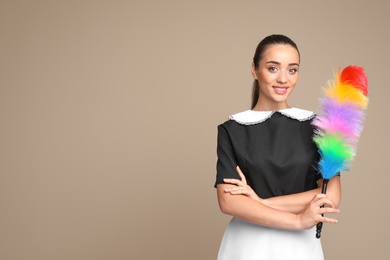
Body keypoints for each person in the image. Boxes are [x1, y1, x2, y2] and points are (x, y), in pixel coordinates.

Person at [214, 34, 341, 260]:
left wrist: (260, 202)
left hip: (300, 247)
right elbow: (228, 201)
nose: (283, 79)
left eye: (292, 70)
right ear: (254, 70)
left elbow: (330, 194)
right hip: (246, 246)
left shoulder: (319, 127)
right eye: (273, 68)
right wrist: (297, 220)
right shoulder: (231, 129)